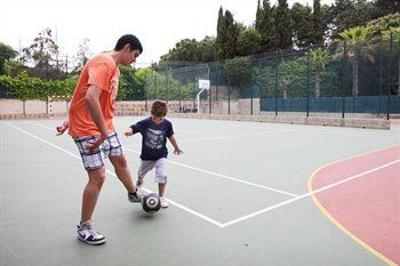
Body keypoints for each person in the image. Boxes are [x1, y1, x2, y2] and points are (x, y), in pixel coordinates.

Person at [56, 34, 144, 245]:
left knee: (120, 160)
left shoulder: (115, 69)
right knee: (98, 176)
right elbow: (89, 98)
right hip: (88, 129)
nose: (135, 60)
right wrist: (89, 128)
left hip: (105, 124)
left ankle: (133, 193)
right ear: (127, 47)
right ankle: (84, 226)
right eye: (135, 55)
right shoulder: (103, 62)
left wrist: (71, 120)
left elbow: (83, 94)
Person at [124, 101, 183, 208]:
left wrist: (176, 147)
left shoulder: (167, 124)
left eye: (159, 118)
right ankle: (140, 179)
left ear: (163, 116)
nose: (156, 120)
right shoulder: (146, 123)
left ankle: (161, 197)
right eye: (154, 117)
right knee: (141, 173)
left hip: (161, 155)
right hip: (146, 157)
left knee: (162, 175)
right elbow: (134, 127)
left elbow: (171, 136)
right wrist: (129, 131)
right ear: (151, 114)